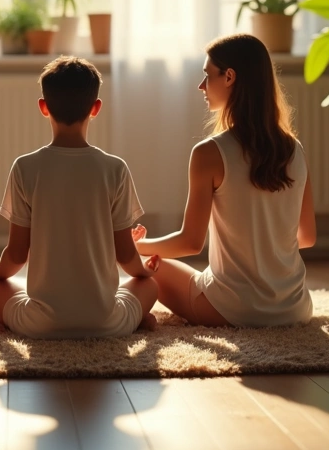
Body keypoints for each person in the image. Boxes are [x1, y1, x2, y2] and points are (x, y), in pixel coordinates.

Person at [135, 34, 315, 328]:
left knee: (145, 266)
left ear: (229, 76)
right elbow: (307, 237)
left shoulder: (209, 152)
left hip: (232, 310)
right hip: (294, 308)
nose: (201, 86)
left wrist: (135, 248)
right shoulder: (296, 150)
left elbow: (191, 243)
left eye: (207, 75)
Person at [0, 56, 160, 339]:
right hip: (107, 324)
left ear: (43, 107)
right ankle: (136, 320)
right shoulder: (115, 169)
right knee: (150, 286)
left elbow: (16, 255)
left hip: (42, 326)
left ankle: (7, 319)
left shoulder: (25, 167)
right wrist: (145, 270)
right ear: (96, 108)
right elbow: (125, 255)